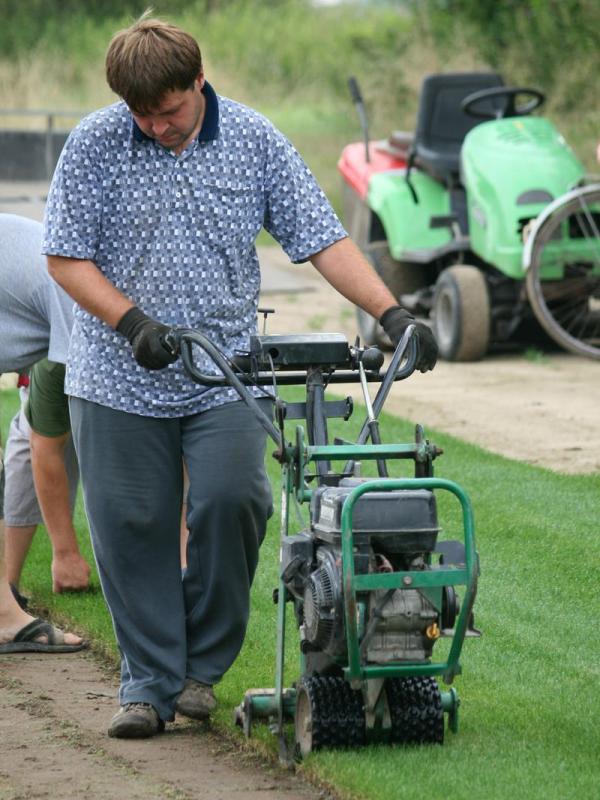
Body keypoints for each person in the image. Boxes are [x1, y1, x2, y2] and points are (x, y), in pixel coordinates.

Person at [44, 15, 438, 739]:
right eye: (143, 116)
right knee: (132, 526)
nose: (158, 127)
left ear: (199, 81)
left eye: (169, 111)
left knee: (234, 502)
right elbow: (65, 256)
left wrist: (392, 312)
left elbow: (320, 235)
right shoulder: (95, 145)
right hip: (117, 373)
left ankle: (200, 670)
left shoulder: (253, 140)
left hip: (225, 371)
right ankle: (149, 685)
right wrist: (134, 324)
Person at [0, 212, 86, 653]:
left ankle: (4, 608)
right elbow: (44, 442)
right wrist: (65, 552)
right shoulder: (78, 305)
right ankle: (5, 608)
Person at [4, 361, 90, 596]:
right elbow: (42, 445)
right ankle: (6, 589)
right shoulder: (54, 364)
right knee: (34, 434)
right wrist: (66, 553)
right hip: (57, 363)